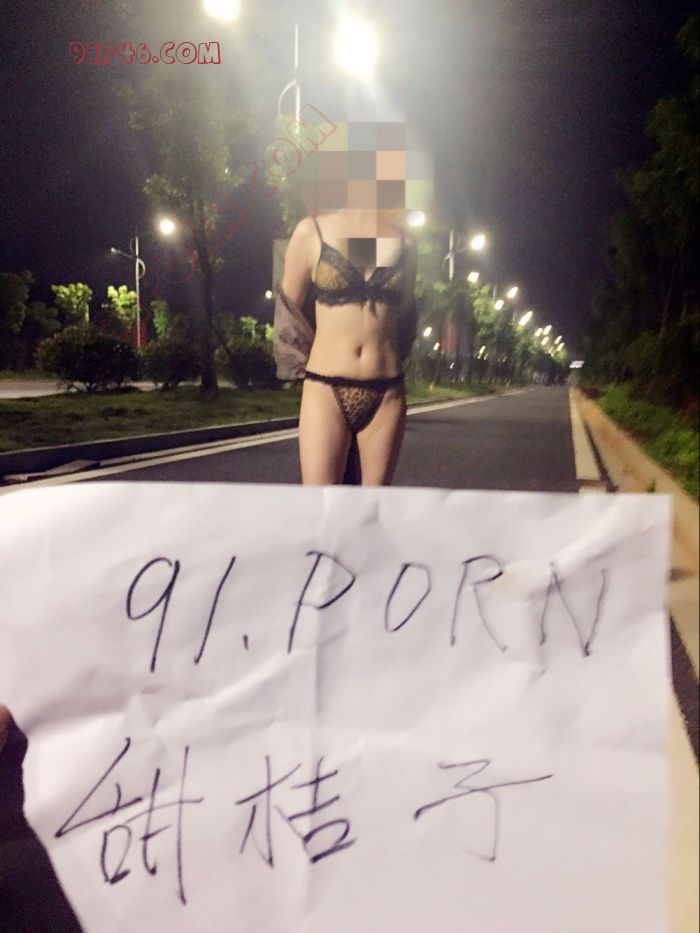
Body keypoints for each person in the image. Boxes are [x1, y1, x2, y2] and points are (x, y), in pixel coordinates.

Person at [274, 206, 418, 485]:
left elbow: (405, 316)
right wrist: (298, 366)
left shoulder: (406, 242)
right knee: (321, 505)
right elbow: (288, 312)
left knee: (372, 506)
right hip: (325, 389)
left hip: (386, 392)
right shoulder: (311, 231)